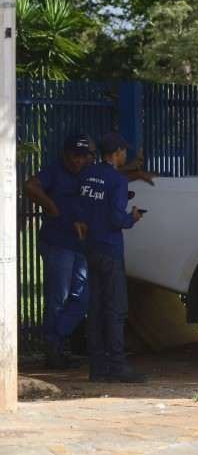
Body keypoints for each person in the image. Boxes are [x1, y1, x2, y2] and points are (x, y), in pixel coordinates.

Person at [76, 132, 148, 383]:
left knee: (95, 309)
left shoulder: (86, 174)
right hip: (110, 248)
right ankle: (117, 365)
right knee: (116, 308)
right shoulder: (117, 181)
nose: (125, 155)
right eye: (124, 151)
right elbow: (117, 219)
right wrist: (133, 217)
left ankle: (97, 368)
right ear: (116, 153)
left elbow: (81, 207)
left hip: (91, 247)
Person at [22, 132, 93, 369]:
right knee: (58, 298)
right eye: (75, 156)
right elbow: (30, 185)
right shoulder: (54, 171)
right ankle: (53, 349)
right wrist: (51, 206)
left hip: (79, 244)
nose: (78, 161)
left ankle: (56, 338)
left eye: (83, 156)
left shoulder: (89, 173)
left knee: (81, 298)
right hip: (57, 243)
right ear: (65, 154)